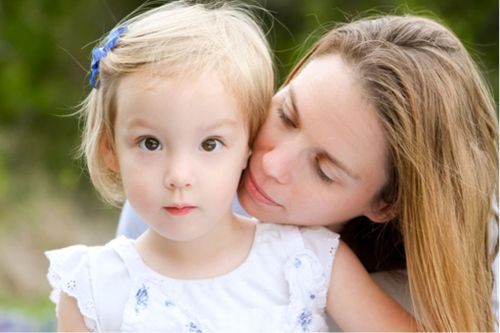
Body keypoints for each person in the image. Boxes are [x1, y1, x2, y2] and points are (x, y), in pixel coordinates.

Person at [44, 2, 417, 332]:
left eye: (210, 144)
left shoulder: (309, 260)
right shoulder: (92, 287)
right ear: (111, 150)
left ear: (247, 144)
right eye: (150, 143)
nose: (178, 177)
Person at [118, 12, 499, 332]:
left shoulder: (417, 290)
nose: (271, 164)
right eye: (285, 115)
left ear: (385, 204)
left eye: (323, 170)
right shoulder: (178, 195)